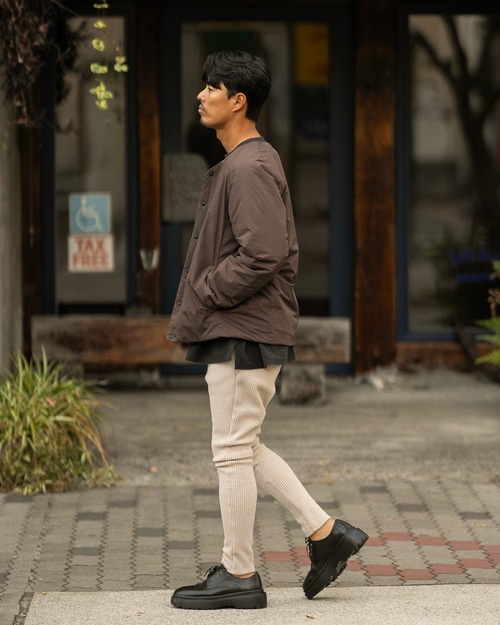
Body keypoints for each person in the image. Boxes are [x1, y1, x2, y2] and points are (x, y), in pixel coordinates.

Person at [167, 49, 368, 610]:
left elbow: (264, 255)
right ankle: (327, 534)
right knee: (244, 445)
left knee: (232, 451)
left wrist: (207, 288)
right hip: (246, 326)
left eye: (212, 87)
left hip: (244, 329)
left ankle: (239, 573)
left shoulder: (249, 166)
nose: (201, 95)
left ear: (238, 101)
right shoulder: (245, 161)